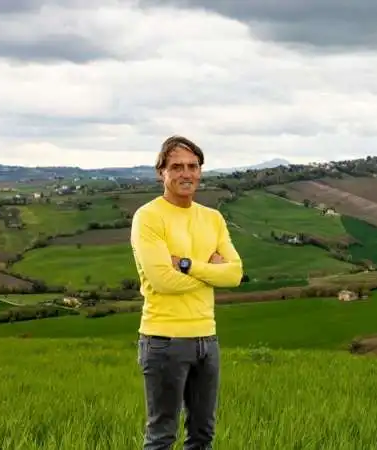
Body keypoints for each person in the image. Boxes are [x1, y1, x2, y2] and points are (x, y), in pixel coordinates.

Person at [130, 135, 243, 450]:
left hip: (207, 340)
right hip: (163, 341)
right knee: (161, 437)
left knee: (203, 436)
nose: (186, 173)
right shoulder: (148, 217)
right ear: (161, 173)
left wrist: (185, 264)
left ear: (201, 171)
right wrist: (211, 272)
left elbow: (235, 274)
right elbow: (164, 281)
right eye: (176, 166)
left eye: (193, 166)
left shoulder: (212, 218)